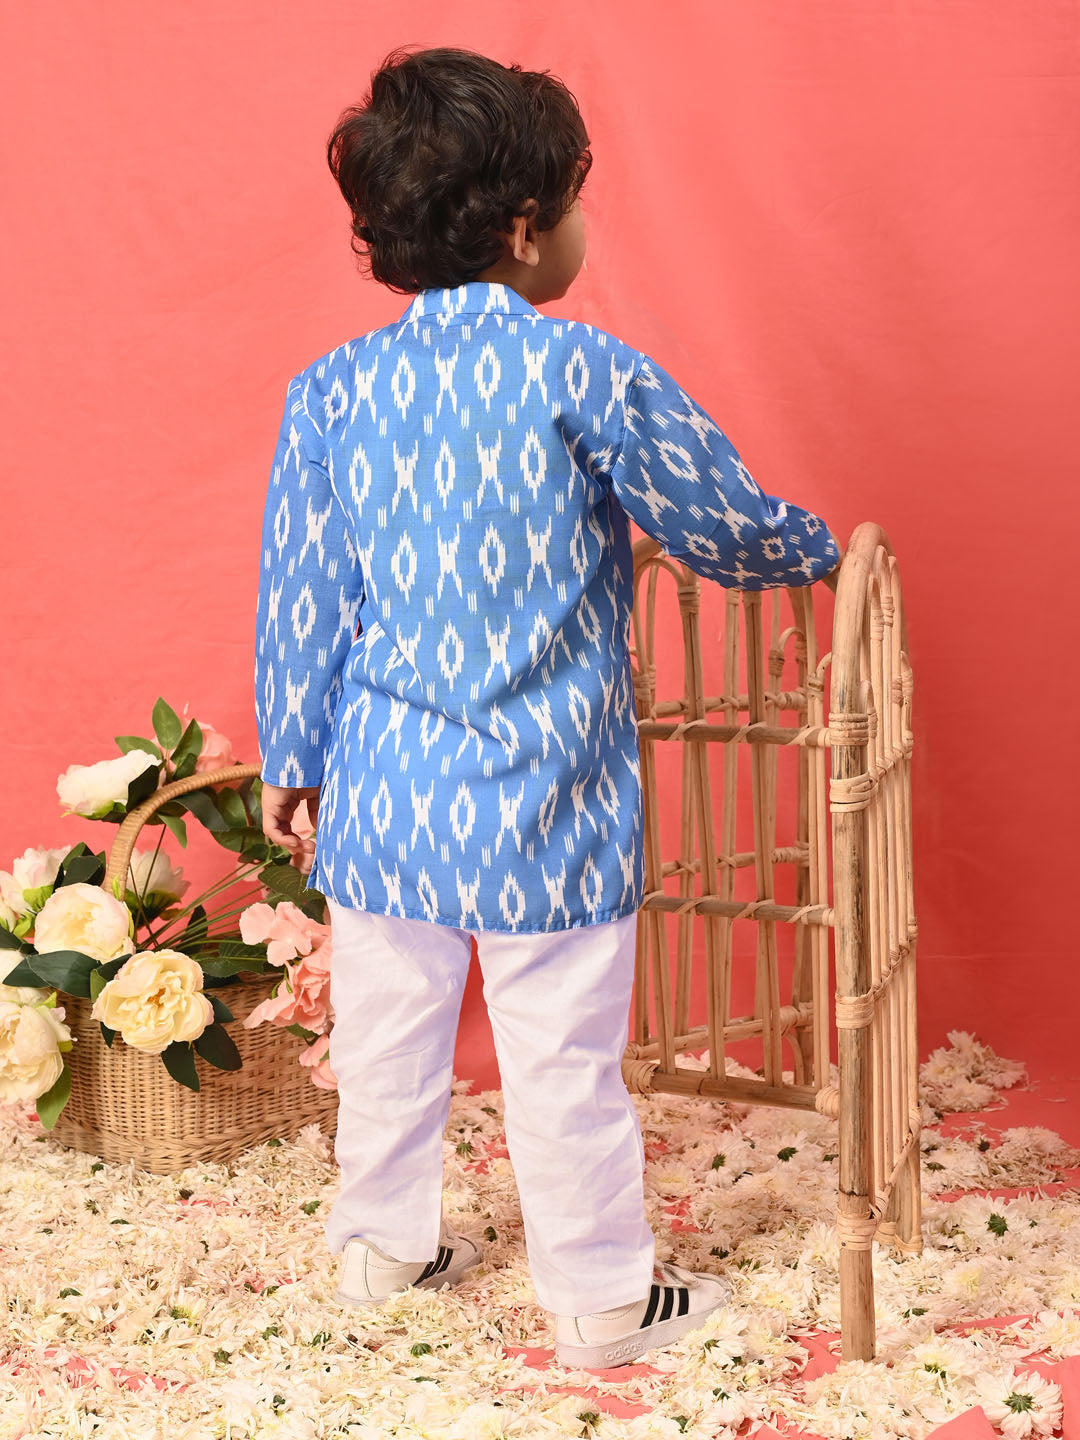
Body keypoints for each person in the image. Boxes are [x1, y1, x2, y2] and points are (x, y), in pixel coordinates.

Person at [254, 45, 841, 1371]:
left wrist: (293, 753)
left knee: (384, 1039)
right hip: (547, 794)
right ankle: (599, 1300)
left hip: (387, 795)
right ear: (526, 227)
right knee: (564, 1057)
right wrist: (816, 551)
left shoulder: (330, 391)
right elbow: (719, 523)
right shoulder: (587, 373)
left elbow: (305, 591)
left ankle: (379, 1250)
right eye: (575, 203)